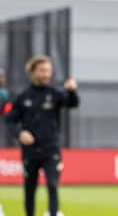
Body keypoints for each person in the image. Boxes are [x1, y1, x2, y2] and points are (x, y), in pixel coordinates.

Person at [5, 55, 79, 216]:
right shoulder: (23, 97)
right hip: (30, 151)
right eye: (42, 70)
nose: (46, 74)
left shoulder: (55, 94)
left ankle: (53, 214)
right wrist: (20, 133)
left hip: (51, 149)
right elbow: (10, 120)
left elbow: (72, 103)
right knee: (29, 189)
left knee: (52, 185)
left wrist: (72, 91)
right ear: (32, 72)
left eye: (49, 71)